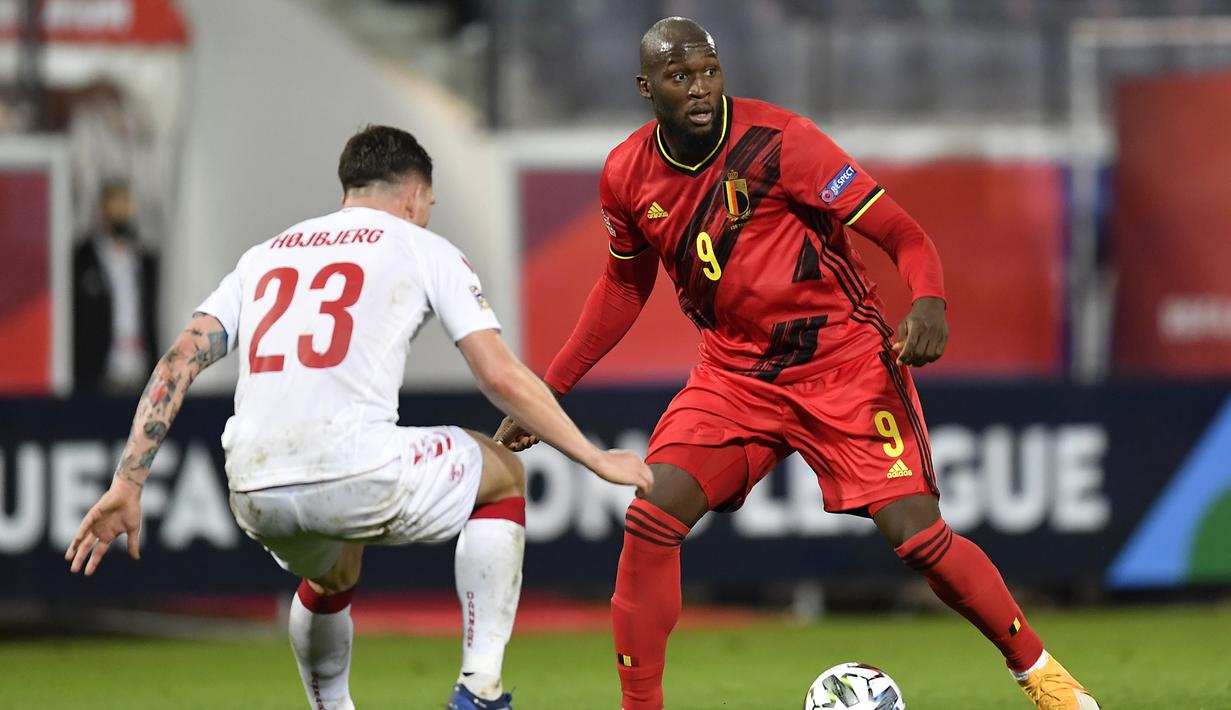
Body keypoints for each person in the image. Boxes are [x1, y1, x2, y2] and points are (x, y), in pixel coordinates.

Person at [496, 17, 1099, 710]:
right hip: (735, 375)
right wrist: (548, 394)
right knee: (652, 515)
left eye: (708, 72)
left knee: (918, 539)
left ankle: (1044, 680)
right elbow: (621, 289)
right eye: (678, 77)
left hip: (845, 361)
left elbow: (902, 233)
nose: (698, 89)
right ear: (645, 88)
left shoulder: (782, 142)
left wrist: (928, 303)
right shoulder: (626, 174)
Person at [65, 125, 653, 710]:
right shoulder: (423, 245)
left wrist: (127, 482)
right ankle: (480, 689)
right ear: (415, 195)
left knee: (333, 571)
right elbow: (498, 376)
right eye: (428, 205)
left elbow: (178, 361)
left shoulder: (263, 256)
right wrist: (594, 457)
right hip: (353, 468)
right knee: (501, 475)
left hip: (254, 487)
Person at [72, 179, 159, 393]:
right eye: (114, 204)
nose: (121, 212)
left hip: (140, 371)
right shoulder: (83, 260)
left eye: (125, 204)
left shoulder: (145, 261)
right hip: (98, 375)